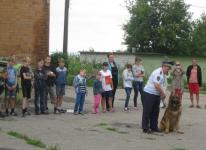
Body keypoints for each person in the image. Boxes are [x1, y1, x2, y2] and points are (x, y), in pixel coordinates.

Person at [142, 60, 173, 133]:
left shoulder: (163, 73)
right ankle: (145, 128)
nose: (168, 70)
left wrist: (161, 95)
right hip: (149, 93)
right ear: (164, 66)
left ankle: (154, 127)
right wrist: (162, 94)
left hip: (156, 94)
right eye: (168, 68)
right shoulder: (158, 73)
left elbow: (161, 85)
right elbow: (157, 85)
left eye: (169, 68)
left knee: (156, 111)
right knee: (147, 111)